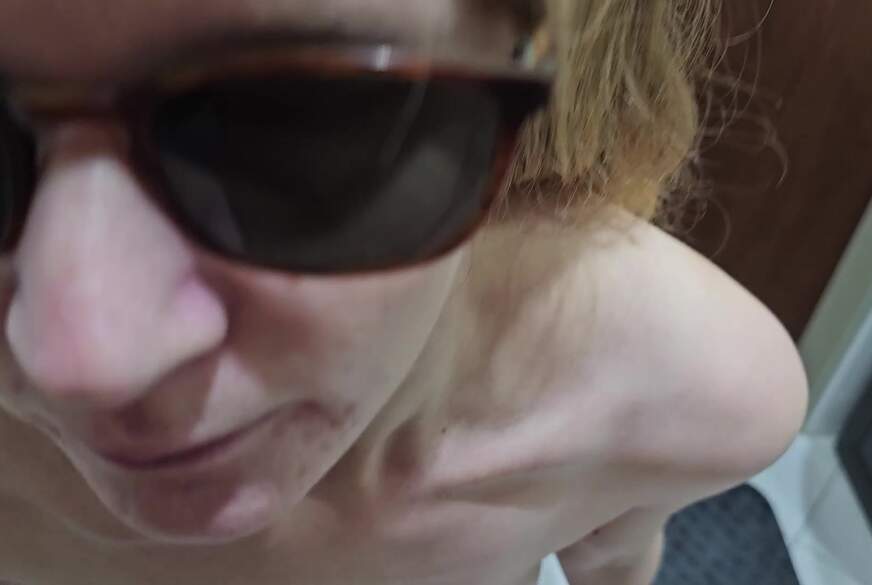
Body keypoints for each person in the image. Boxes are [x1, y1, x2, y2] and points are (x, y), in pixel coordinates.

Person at [0, 1, 808, 584]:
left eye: (290, 126)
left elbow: (617, 555)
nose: (79, 362)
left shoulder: (686, 400)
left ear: (546, 56)